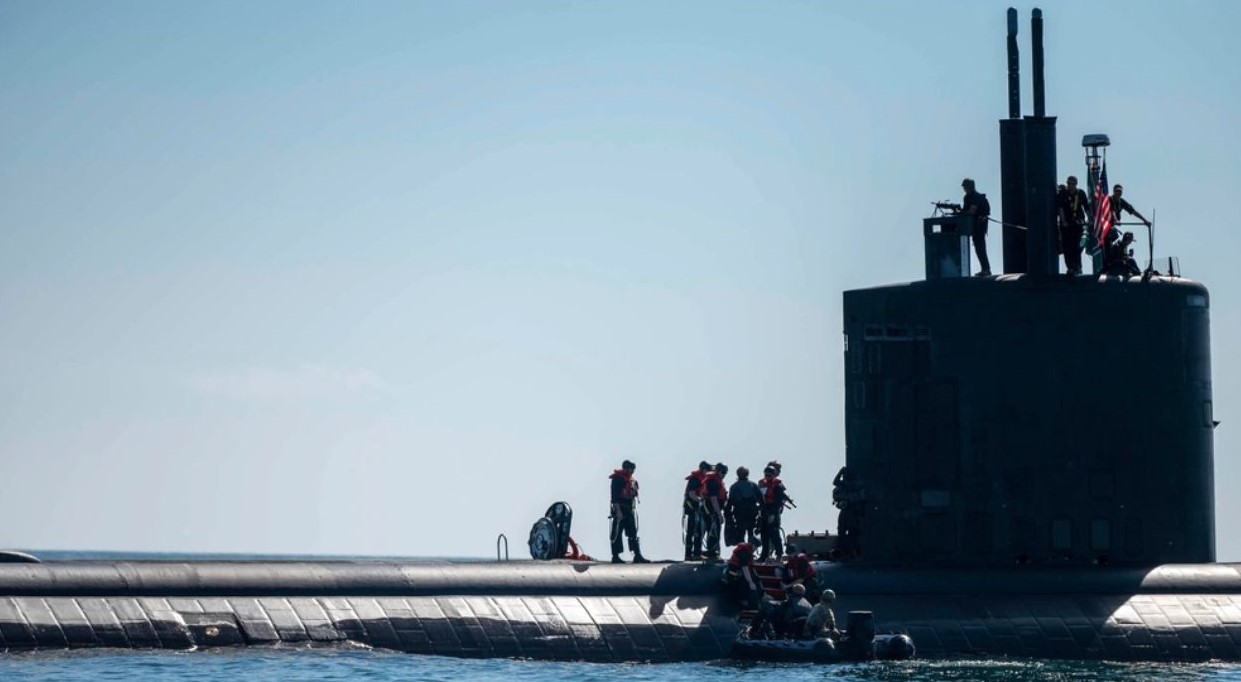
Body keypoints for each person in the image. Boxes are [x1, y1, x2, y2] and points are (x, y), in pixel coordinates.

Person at [609, 460, 649, 564]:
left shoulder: (630, 479)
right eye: (631, 469)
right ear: (626, 468)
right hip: (620, 509)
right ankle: (615, 556)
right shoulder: (617, 479)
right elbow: (614, 498)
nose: (632, 471)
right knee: (617, 533)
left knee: (633, 533)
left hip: (629, 509)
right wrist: (618, 512)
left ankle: (637, 554)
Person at [757, 465, 790, 563]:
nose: (767, 475)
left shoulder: (778, 486)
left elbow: (778, 502)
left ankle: (779, 554)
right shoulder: (762, 484)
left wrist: (773, 514)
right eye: (766, 473)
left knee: (774, 534)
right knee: (764, 535)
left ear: (774, 475)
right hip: (764, 511)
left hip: (773, 512)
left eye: (770, 474)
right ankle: (763, 555)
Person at [1057, 175, 1090, 275]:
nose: (1070, 185)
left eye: (1072, 184)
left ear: (1076, 184)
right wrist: (1063, 222)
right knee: (1067, 247)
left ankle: (1077, 267)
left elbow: (1086, 207)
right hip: (1067, 225)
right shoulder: (1062, 193)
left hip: (1078, 223)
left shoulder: (1080, 193)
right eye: (1069, 184)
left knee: (1077, 246)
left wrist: (1091, 220)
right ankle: (1070, 267)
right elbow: (1061, 208)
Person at [960, 178, 992, 276]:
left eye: (965, 187)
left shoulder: (976, 197)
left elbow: (972, 211)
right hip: (974, 225)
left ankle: (986, 269)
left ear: (969, 186)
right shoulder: (967, 197)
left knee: (980, 247)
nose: (964, 189)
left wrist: (961, 213)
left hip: (979, 225)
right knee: (978, 247)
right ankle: (984, 269)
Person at [832, 466, 865, 560]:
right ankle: (846, 551)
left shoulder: (857, 485)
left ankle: (853, 551)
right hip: (847, 511)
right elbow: (835, 483)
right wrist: (840, 472)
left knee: (852, 532)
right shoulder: (844, 485)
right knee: (843, 531)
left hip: (853, 511)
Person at [720, 541, 763, 610]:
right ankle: (744, 600)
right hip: (733, 574)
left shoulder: (749, 552)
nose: (756, 549)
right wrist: (750, 582)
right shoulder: (744, 552)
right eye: (756, 547)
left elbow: (750, 568)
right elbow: (745, 568)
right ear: (752, 545)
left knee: (755, 579)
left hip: (740, 572)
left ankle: (760, 598)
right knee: (744, 582)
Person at [682, 461, 711, 561]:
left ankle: (694, 553)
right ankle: (691, 554)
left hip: (696, 508)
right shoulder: (695, 479)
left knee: (697, 530)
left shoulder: (701, 478)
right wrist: (700, 501)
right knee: (694, 531)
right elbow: (691, 494)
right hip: (693, 508)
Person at [725, 466, 761, 546]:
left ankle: (742, 551)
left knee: (741, 532)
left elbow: (730, 501)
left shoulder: (734, 487)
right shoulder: (753, 485)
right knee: (750, 532)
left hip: (739, 512)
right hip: (751, 512)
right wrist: (762, 511)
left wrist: (727, 513)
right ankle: (750, 551)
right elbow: (761, 500)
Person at [703, 463, 728, 560]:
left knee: (713, 530)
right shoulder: (713, 481)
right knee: (713, 531)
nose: (724, 475)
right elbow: (714, 499)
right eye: (723, 472)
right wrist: (719, 514)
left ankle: (713, 552)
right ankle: (712, 553)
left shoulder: (716, 480)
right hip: (712, 511)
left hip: (713, 510)